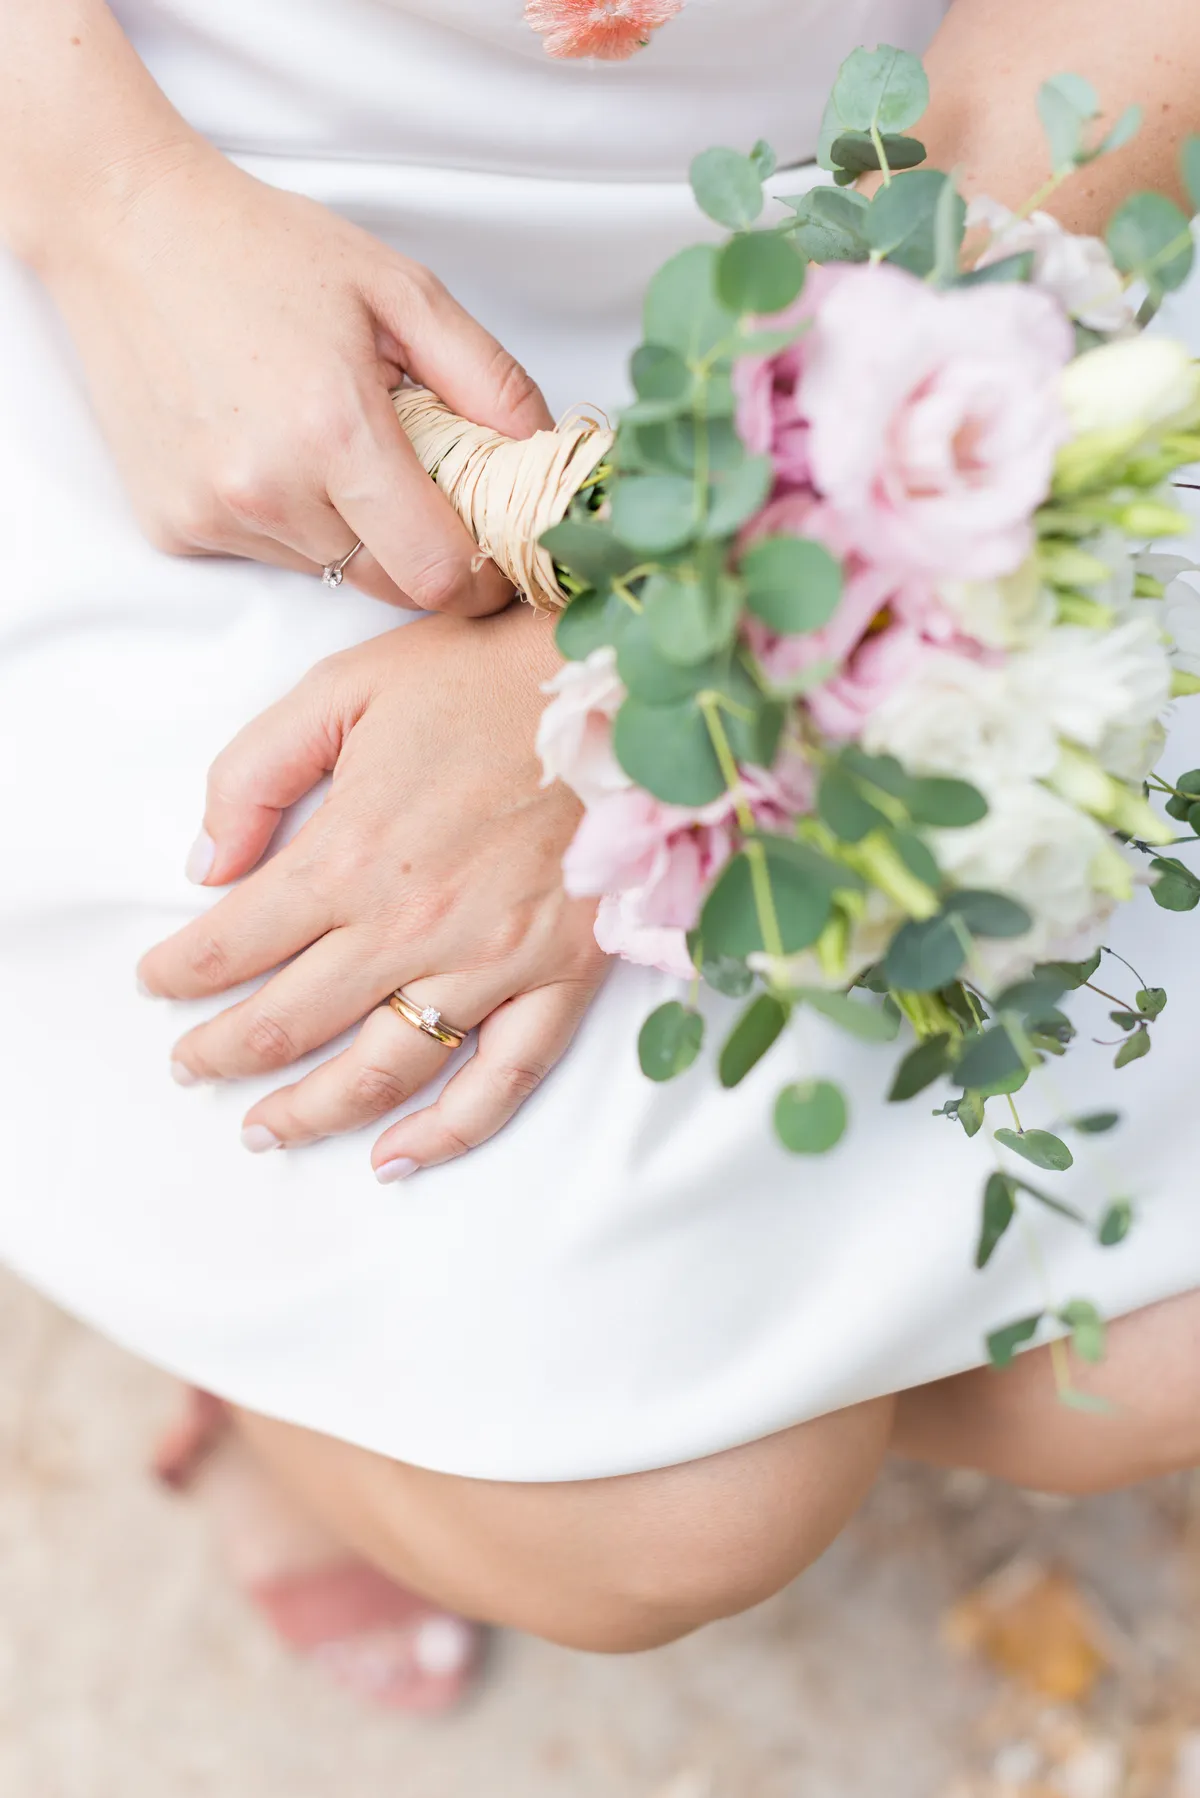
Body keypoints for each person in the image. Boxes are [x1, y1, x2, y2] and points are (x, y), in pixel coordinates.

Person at [2, 0, 1199, 1713]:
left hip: (928, 199)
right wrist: (101, 191)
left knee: (1146, 1360)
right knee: (673, 1516)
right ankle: (278, 1375)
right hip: (191, 232)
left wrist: (654, 666)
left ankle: (576, 1336)